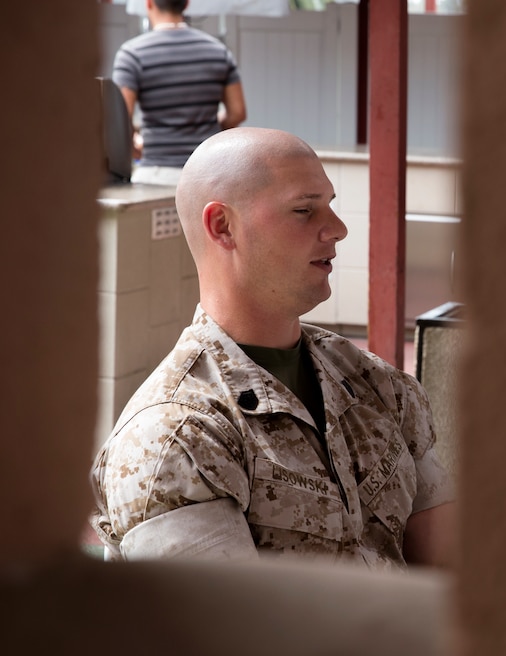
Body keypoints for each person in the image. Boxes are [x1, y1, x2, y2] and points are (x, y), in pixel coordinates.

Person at [90, 127, 456, 567]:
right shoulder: (178, 437)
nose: (337, 229)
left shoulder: (377, 385)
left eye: (330, 207)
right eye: (304, 210)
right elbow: (228, 632)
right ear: (223, 227)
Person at [112, 0, 247, 185]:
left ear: (149, 3)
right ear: (186, 4)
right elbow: (237, 112)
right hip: (207, 174)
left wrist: (134, 148)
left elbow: (119, 121)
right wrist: (209, 131)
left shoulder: (132, 54)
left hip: (157, 173)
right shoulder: (218, 51)